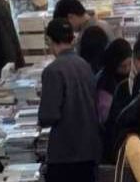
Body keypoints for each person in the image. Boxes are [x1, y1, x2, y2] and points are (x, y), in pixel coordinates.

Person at [38, 18, 102, 182]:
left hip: (65, 152)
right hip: (89, 148)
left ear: (49, 40)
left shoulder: (52, 71)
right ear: (72, 39)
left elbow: (48, 116)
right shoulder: (85, 65)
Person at [96, 39, 133, 124]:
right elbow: (104, 116)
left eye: (130, 64)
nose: (127, 69)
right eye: (122, 66)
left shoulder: (132, 76)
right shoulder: (105, 83)